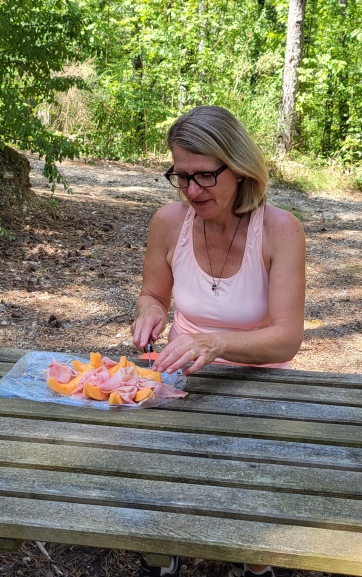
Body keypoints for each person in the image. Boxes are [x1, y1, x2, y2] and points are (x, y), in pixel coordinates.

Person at [130, 105, 306, 577]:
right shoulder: (169, 222)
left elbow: (286, 339)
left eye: (205, 176)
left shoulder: (279, 229)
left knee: (250, 493)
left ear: (239, 167)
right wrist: (149, 313)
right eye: (181, 176)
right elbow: (153, 294)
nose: (192, 191)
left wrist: (216, 344)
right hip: (182, 373)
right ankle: (163, 551)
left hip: (260, 380)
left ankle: (254, 561)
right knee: (156, 473)